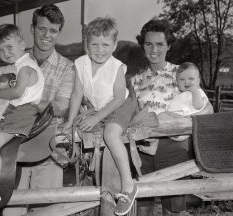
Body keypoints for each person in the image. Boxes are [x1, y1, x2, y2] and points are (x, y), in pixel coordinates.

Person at [131, 18, 213, 216]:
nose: (154, 49)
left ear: (168, 46)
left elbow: (207, 108)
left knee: (173, 208)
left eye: (160, 44)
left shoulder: (182, 73)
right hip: (144, 148)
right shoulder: (135, 80)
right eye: (149, 44)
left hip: (173, 147)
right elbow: (134, 115)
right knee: (143, 207)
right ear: (143, 45)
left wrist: (180, 130)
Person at [1, 4, 75, 216]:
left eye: (53, 30)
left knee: (48, 210)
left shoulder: (68, 67)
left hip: (49, 148)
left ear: (59, 33)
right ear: (32, 29)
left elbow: (60, 107)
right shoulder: (15, 61)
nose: (47, 35)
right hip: (14, 146)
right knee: (11, 210)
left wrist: (26, 100)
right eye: (42, 28)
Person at [62, 17, 136, 216]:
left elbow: (119, 98)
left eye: (105, 44)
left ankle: (129, 185)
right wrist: (69, 120)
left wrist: (95, 119)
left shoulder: (116, 67)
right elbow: (77, 93)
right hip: (98, 106)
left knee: (111, 135)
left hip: (120, 105)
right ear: (86, 44)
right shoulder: (81, 64)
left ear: (114, 46)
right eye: (94, 44)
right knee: (77, 128)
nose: (99, 49)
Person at [0, 24, 45, 214]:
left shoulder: (26, 67)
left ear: (22, 43)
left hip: (22, 112)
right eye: (0, 49)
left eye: (9, 47)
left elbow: (17, 92)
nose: (5, 52)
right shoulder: (21, 65)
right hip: (18, 109)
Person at [139, 62, 210, 154]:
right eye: (182, 79)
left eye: (191, 79)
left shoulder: (198, 92)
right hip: (175, 126)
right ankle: (153, 145)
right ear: (177, 82)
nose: (187, 82)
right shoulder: (182, 94)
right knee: (159, 118)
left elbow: (198, 105)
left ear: (198, 80)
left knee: (161, 116)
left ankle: (153, 139)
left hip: (185, 126)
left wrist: (194, 91)